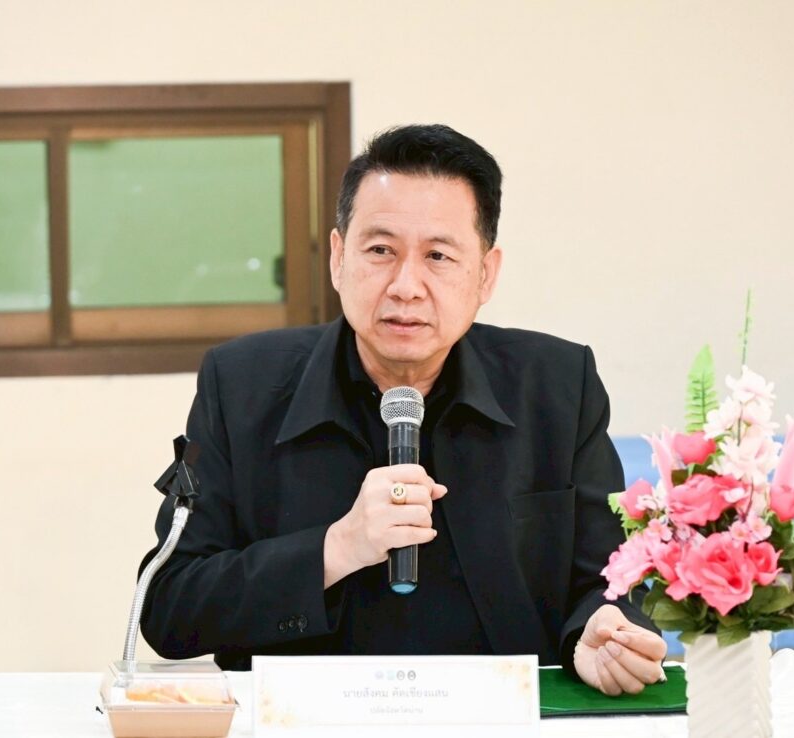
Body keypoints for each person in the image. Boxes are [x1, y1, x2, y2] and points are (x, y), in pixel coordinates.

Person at [140, 124, 667, 696]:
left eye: (438, 255)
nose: (406, 286)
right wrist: (335, 548)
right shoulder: (242, 385)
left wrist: (601, 629)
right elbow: (170, 608)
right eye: (380, 251)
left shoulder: (558, 385)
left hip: (500, 721)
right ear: (338, 258)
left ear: (485, 274)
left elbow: (611, 579)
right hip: (306, 723)